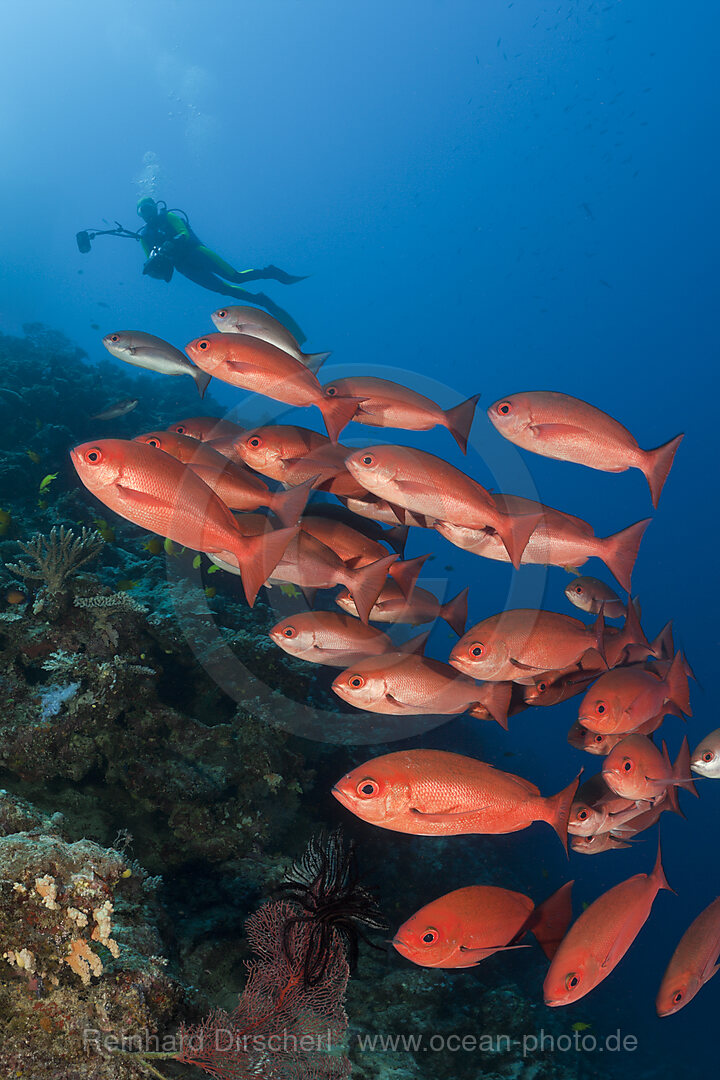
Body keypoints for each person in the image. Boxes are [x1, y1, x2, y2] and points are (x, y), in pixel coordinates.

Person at [136, 197, 307, 343]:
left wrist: (173, 242)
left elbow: (184, 233)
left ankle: (270, 272)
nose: (147, 214)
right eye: (142, 212)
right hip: (185, 268)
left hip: (197, 253)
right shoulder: (145, 235)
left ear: (155, 207)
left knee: (236, 277)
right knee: (222, 290)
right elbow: (149, 260)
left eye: (148, 209)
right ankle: (261, 300)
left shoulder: (169, 217)